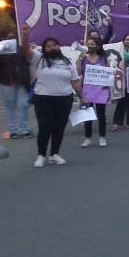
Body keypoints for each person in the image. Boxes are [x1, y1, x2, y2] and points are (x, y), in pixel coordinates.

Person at [21, 26, 84, 168]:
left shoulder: (67, 62)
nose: (52, 47)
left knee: (59, 127)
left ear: (58, 46)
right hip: (43, 98)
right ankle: (41, 155)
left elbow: (75, 81)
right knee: (45, 126)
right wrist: (26, 35)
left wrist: (82, 97)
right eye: (48, 46)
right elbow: (25, 49)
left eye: (54, 45)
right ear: (44, 49)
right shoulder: (39, 59)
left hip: (64, 98)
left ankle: (54, 154)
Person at [0, 32, 33, 139]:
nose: (9, 40)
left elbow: (28, 61)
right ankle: (12, 130)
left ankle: (23, 129)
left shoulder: (21, 50)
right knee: (9, 106)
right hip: (5, 81)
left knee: (23, 105)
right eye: (6, 37)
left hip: (21, 81)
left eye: (12, 37)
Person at [76, 36, 110, 148]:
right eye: (88, 44)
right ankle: (88, 138)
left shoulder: (103, 59)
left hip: (101, 90)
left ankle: (102, 137)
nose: (89, 46)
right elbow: (79, 72)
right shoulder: (83, 59)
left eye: (92, 44)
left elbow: (108, 73)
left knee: (101, 114)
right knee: (87, 114)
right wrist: (80, 60)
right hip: (87, 90)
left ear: (97, 46)